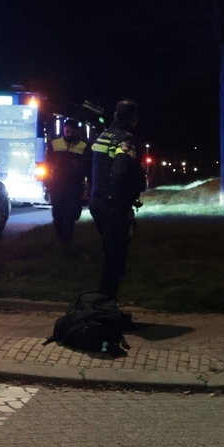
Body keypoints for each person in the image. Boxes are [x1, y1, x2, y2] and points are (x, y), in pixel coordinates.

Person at [88, 100, 147, 298]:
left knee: (110, 256)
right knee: (116, 261)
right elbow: (120, 171)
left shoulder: (102, 137)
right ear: (133, 119)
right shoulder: (126, 140)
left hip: (97, 202)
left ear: (115, 115)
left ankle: (104, 308)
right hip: (114, 206)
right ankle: (104, 309)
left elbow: (86, 163)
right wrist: (121, 200)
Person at [44, 118, 89, 244]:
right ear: (64, 129)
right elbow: (48, 164)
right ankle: (60, 235)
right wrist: (47, 180)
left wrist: (87, 182)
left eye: (72, 132)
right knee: (57, 212)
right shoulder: (54, 144)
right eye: (68, 131)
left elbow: (87, 166)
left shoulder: (83, 146)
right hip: (57, 183)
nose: (70, 134)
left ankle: (66, 240)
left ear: (76, 132)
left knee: (70, 213)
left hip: (74, 184)